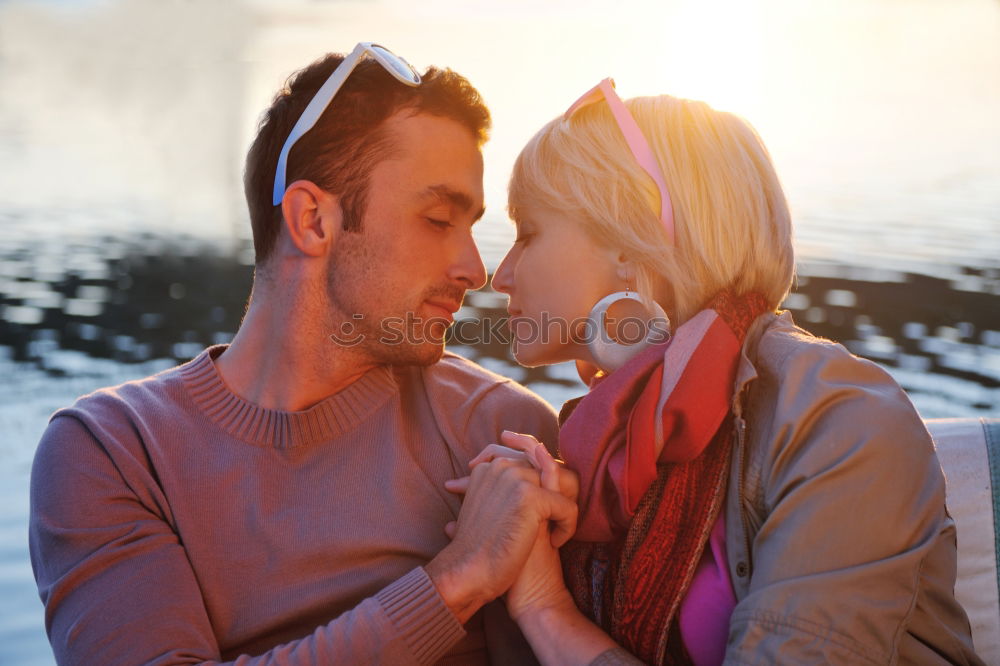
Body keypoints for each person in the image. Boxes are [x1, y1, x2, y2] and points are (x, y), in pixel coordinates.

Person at [28, 43, 575, 665]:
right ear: (312, 220)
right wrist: (455, 582)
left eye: (471, 227)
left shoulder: (505, 435)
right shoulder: (113, 454)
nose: (474, 269)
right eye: (438, 219)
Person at [447, 79, 983, 664]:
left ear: (630, 241)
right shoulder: (604, 444)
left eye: (528, 233)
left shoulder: (839, 420)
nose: (499, 276)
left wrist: (545, 610)